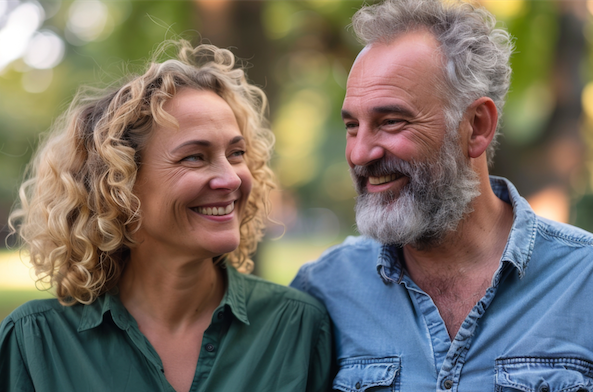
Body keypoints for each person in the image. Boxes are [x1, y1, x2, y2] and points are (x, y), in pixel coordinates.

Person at [291, 0, 593, 390]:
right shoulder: (323, 292)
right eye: (352, 126)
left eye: (391, 121)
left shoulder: (583, 280)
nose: (359, 153)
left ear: (477, 126)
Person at [0, 40, 332, 392]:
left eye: (236, 153)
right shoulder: (37, 342)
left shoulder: (298, 327)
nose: (232, 178)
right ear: (118, 183)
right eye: (194, 157)